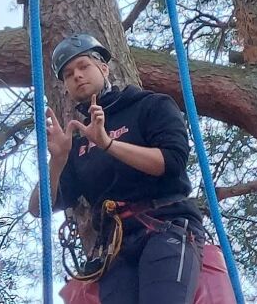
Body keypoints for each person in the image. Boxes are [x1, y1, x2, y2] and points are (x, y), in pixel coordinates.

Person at [29, 34, 207, 303]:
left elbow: (171, 162)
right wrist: (57, 161)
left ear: (104, 68)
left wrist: (108, 144)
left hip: (167, 226)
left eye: (83, 66)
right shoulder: (78, 145)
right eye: (68, 74)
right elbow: (39, 208)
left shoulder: (150, 106)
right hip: (115, 248)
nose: (77, 76)